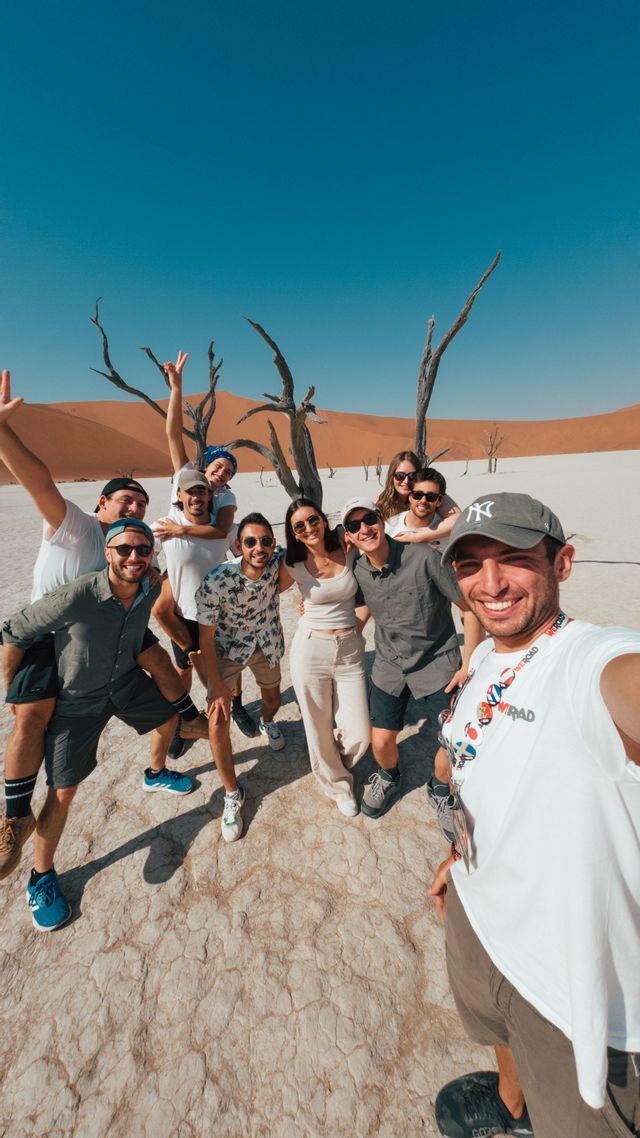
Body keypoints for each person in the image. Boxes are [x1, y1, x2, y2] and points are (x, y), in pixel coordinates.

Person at [428, 492, 640, 1138]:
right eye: (470, 565)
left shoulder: (588, 661)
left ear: (562, 563)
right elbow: (479, 764)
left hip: (568, 987)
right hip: (478, 908)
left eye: (514, 558)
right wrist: (459, 858)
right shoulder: (485, 656)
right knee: (495, 1031)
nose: (489, 584)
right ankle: (512, 1107)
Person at [0, 370, 206, 881]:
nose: (133, 507)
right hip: (51, 640)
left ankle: (169, 749)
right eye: (123, 500)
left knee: (158, 664)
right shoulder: (74, 526)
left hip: (112, 637)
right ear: (101, 505)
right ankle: (16, 820)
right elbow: (39, 480)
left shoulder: (135, 545)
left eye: (140, 503)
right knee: (32, 721)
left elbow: (181, 506)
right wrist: (3, 432)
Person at [1, 519, 195, 931]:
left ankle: (155, 772)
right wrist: (12, 688)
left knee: (169, 718)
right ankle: (41, 876)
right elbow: (16, 629)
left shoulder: (149, 585)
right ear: (108, 552)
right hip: (79, 704)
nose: (133, 557)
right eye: (124, 549)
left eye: (142, 550)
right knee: (63, 792)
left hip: (124, 684)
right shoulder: (79, 595)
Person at [341, 498, 484, 820]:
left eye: (369, 520)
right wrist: (337, 631)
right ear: (348, 536)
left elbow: (470, 610)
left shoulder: (424, 558)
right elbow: (363, 608)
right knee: (380, 742)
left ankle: (440, 787)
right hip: (390, 664)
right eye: (354, 526)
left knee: (454, 740)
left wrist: (468, 665)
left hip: (437, 662)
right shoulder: (359, 571)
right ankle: (389, 775)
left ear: (381, 521)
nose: (364, 529)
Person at [153, 351, 256, 741]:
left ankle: (236, 703)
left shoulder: (224, 499)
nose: (222, 473)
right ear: (206, 464)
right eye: (219, 466)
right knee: (179, 647)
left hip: (212, 584)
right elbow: (172, 435)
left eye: (228, 472)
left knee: (228, 656)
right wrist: (176, 388)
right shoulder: (184, 476)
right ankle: (185, 716)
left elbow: (221, 531)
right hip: (177, 573)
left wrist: (181, 531)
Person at [196, 513, 293, 842]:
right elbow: (205, 637)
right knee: (216, 720)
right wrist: (216, 685)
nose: (259, 548)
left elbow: (313, 551)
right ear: (238, 545)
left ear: (274, 544)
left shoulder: (278, 562)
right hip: (227, 650)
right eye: (250, 541)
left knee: (273, 700)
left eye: (266, 541)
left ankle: (267, 723)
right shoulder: (217, 579)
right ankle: (232, 793)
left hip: (266, 643)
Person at [281, 498, 370, 817]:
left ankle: (331, 760)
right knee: (317, 726)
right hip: (310, 649)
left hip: (349, 648)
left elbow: (368, 591)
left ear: (323, 519)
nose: (308, 528)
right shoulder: (291, 563)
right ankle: (337, 785)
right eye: (299, 526)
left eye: (313, 520)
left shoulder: (348, 544)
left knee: (360, 732)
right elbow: (261, 586)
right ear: (293, 533)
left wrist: (356, 627)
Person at [376, 450, 459, 544]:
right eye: (400, 476)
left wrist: (418, 537)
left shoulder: (433, 494)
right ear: (392, 477)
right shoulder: (382, 502)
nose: (406, 481)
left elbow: (458, 520)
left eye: (412, 476)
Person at [385, 466, 455, 549]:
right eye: (417, 495)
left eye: (430, 496)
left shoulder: (449, 535)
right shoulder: (389, 529)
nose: (423, 501)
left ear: (439, 501)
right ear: (410, 497)